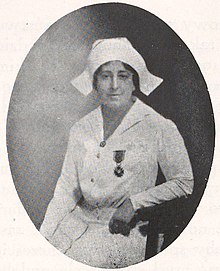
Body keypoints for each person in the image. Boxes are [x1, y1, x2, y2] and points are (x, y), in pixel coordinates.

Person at [40, 37, 194, 268]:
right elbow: (65, 191)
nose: (114, 85)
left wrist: (134, 203)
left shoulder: (158, 125)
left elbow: (184, 182)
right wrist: (44, 236)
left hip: (123, 233)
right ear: (94, 83)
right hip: (75, 225)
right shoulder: (81, 127)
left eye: (123, 76)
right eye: (105, 76)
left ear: (135, 82)